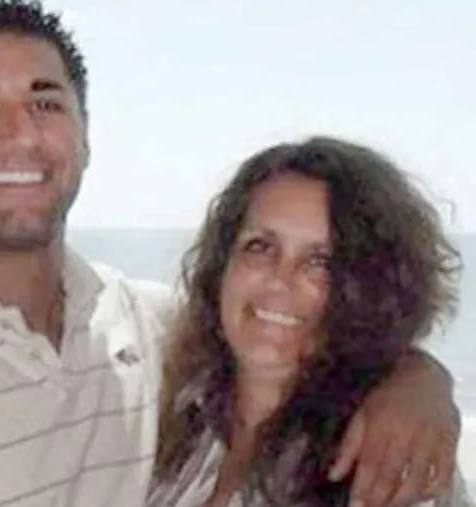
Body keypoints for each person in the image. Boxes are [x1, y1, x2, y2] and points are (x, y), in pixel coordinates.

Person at [0, 2, 461, 506]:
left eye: (46, 102)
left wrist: (417, 380)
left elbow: (293, 333)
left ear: (85, 135)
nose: (22, 134)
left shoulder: (141, 327)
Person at [148, 137, 472, 506]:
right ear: (222, 265)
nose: (279, 279)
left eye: (321, 262)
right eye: (260, 246)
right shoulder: (172, 416)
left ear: (370, 290)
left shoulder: (388, 462)